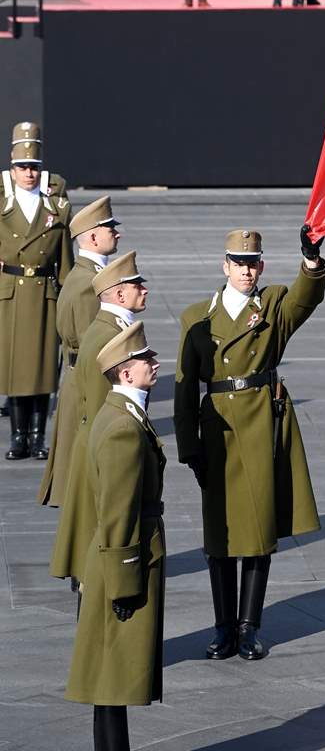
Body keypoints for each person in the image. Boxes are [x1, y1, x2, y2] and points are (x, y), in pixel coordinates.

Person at [174, 225, 325, 660]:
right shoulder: (197, 317)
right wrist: (189, 447)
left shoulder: (274, 305)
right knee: (219, 534)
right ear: (225, 266)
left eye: (253, 262)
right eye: (239, 263)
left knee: (258, 532)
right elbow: (185, 388)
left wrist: (311, 261)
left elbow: (305, 297)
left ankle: (248, 626)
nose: (246, 270)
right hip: (219, 427)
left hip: (261, 425)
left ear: (262, 266)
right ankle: (223, 626)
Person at [64, 322, 164, 751]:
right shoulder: (125, 429)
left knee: (108, 680)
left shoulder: (116, 414)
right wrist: (125, 585)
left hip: (106, 558)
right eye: (145, 360)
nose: (154, 364)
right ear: (125, 372)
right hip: (122, 562)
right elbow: (119, 512)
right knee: (113, 679)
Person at [51, 251, 149, 586]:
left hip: (97, 445)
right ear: (120, 294)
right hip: (102, 453)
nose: (145, 289)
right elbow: (99, 407)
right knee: (94, 563)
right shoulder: (108, 338)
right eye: (138, 285)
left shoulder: (111, 330)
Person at [38, 195, 121, 508]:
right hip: (89, 390)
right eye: (110, 228)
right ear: (94, 236)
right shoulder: (89, 283)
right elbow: (94, 348)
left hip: (80, 384)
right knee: (88, 492)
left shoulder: (88, 276)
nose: (117, 233)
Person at [0, 124, 73, 461]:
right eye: (22, 167)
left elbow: (65, 261)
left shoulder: (56, 206)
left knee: (44, 368)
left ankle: (37, 435)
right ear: (12, 169)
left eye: (33, 167)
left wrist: (69, 300)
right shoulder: (3, 203)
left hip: (44, 292)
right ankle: (18, 437)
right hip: (11, 292)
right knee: (15, 368)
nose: (28, 173)